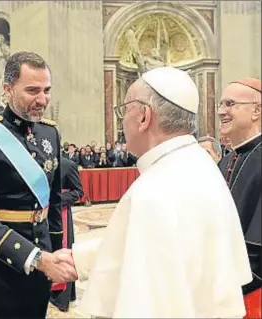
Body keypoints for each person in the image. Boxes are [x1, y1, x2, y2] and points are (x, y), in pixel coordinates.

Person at [61, 67, 252, 318]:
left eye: (125, 109)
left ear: (144, 116)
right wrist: (77, 260)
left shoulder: (153, 191)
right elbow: (148, 245)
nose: (122, 119)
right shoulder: (199, 164)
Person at [0, 51, 77, 319]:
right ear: (7, 89)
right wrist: (37, 258)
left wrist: (56, 252)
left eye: (47, 90)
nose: (43, 99)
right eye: (32, 90)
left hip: (42, 266)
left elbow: (54, 202)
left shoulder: (50, 132)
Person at [217, 77, 261, 318]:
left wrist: (228, 288)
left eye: (230, 103)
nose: (222, 111)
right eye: (221, 104)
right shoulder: (225, 161)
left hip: (251, 293)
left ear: (256, 110)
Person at [50, 156, 84, 312]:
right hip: (41, 215)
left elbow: (78, 192)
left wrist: (57, 200)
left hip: (61, 212)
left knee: (63, 252)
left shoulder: (68, 165)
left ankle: (63, 297)